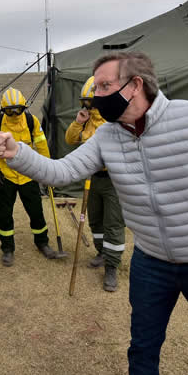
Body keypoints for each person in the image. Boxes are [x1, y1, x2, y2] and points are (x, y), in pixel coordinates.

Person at [0, 52, 188, 375]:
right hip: (151, 264)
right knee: (142, 350)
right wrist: (17, 152)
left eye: (105, 86)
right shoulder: (106, 136)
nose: (96, 96)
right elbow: (61, 171)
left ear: (135, 84)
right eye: (95, 88)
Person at [64, 76, 125, 292]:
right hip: (92, 179)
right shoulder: (86, 119)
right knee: (95, 221)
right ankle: (101, 252)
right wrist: (78, 122)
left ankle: (111, 266)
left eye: (90, 102)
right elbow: (70, 140)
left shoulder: (115, 120)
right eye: (85, 102)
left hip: (113, 180)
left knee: (113, 224)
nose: (87, 106)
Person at [0, 87, 59, 266]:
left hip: (29, 174)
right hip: (7, 176)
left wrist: (47, 168)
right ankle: (7, 249)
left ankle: (42, 243)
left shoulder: (31, 121)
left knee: (36, 212)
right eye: (9, 110)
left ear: (24, 108)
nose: (13, 113)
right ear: (2, 109)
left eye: (17, 109)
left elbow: (41, 145)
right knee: (5, 214)